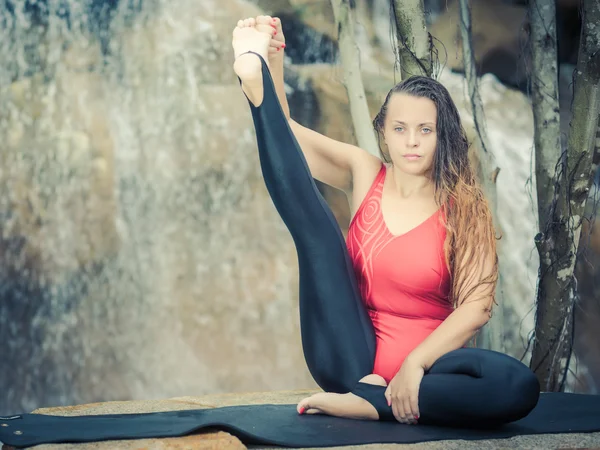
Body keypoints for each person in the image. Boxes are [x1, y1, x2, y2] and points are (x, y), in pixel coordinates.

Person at [231, 16, 540, 427]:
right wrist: (271, 64)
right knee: (320, 237)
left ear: (441, 135)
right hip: (348, 356)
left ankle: (374, 403)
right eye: (400, 128)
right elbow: (285, 141)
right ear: (384, 133)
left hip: (428, 373)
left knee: (516, 384)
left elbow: (476, 309)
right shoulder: (365, 172)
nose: (411, 141)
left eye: (424, 130)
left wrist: (414, 366)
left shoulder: (465, 208)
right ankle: (253, 84)